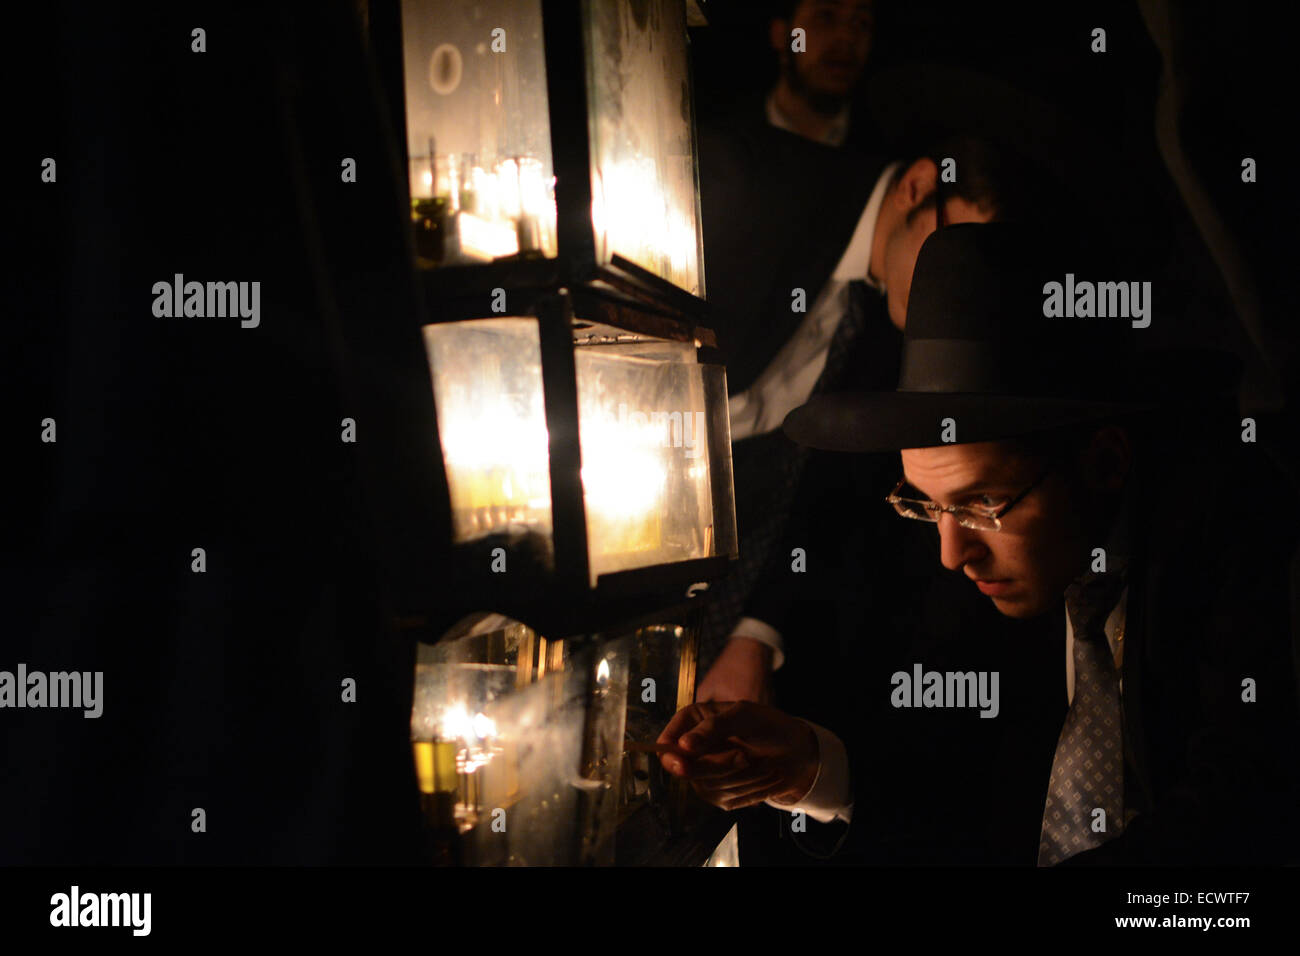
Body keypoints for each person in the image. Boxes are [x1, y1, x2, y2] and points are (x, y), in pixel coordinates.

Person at [660, 223, 1300, 864]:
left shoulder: (1246, 536)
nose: (951, 553)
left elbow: (1236, 822)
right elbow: (972, 793)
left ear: (1105, 464)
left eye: (982, 505)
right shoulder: (999, 570)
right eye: (926, 505)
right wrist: (812, 769)